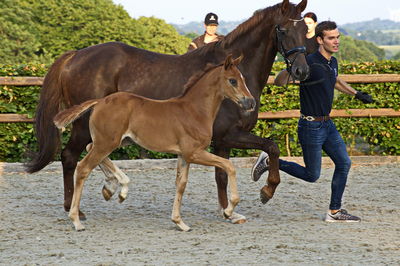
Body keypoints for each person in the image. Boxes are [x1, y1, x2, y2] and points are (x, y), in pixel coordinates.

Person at [252, 21, 374, 222]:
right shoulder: (308, 62)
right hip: (310, 126)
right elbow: (279, 82)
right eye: (331, 38)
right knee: (312, 175)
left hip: (328, 125)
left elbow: (334, 79)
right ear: (320, 40)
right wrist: (290, 68)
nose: (336, 42)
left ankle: (334, 212)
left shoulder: (331, 62)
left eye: (337, 37)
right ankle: (269, 160)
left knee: (344, 163)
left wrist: (357, 93)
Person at [274, 12, 319, 85]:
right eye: (305, 23)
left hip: (315, 71)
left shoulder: (319, 41)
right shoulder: (299, 41)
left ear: (315, 24)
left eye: (310, 23)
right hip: (300, 67)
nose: (307, 25)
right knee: (279, 81)